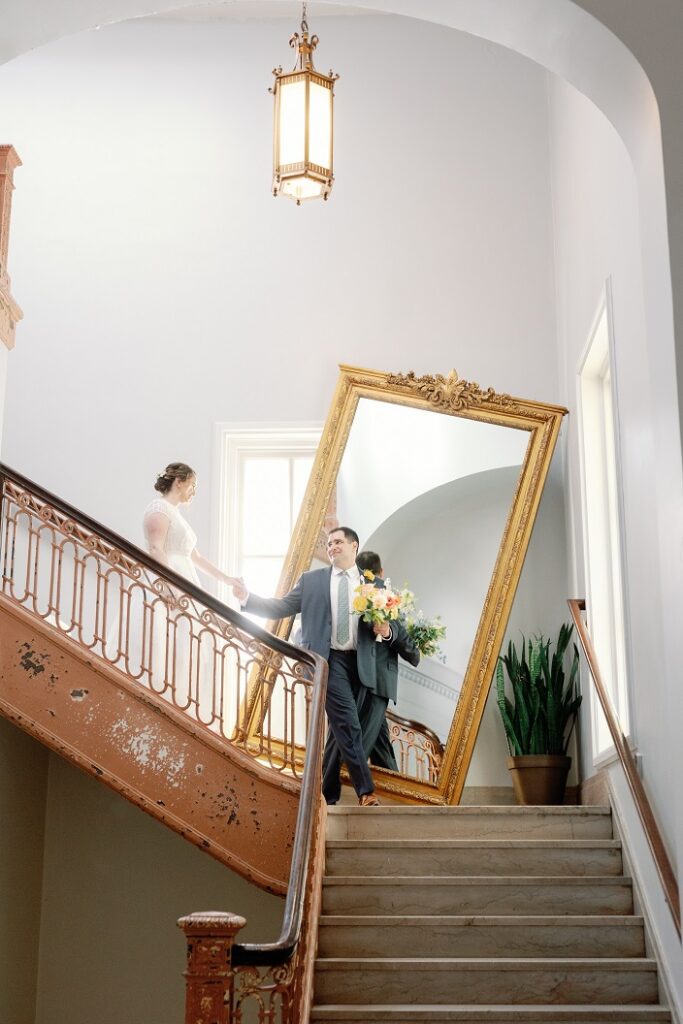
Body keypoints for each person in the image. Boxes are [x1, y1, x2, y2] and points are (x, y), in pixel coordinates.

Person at [232, 527, 382, 806]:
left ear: (354, 547)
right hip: (328, 661)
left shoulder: (372, 584)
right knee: (349, 725)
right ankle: (366, 791)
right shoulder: (312, 581)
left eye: (338, 542)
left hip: (362, 664)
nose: (332, 547)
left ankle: (327, 794)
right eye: (328, 543)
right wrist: (247, 598)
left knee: (341, 730)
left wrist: (385, 631)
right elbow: (280, 607)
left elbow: (389, 624)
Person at [320, 550, 420, 804]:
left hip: (368, 682)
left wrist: (387, 632)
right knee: (347, 736)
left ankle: (398, 797)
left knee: (375, 741)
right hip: (365, 682)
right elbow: (406, 642)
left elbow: (396, 631)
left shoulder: (380, 598)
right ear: (381, 572)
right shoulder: (354, 598)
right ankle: (328, 790)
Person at [142, 462, 238, 718]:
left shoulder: (175, 513)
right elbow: (156, 548)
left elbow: (195, 556)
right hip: (171, 580)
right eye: (193, 485)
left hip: (186, 577)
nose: (194, 491)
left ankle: (184, 702)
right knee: (172, 639)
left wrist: (226, 579)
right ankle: (167, 701)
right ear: (179, 482)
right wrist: (170, 588)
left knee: (192, 640)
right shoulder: (159, 508)